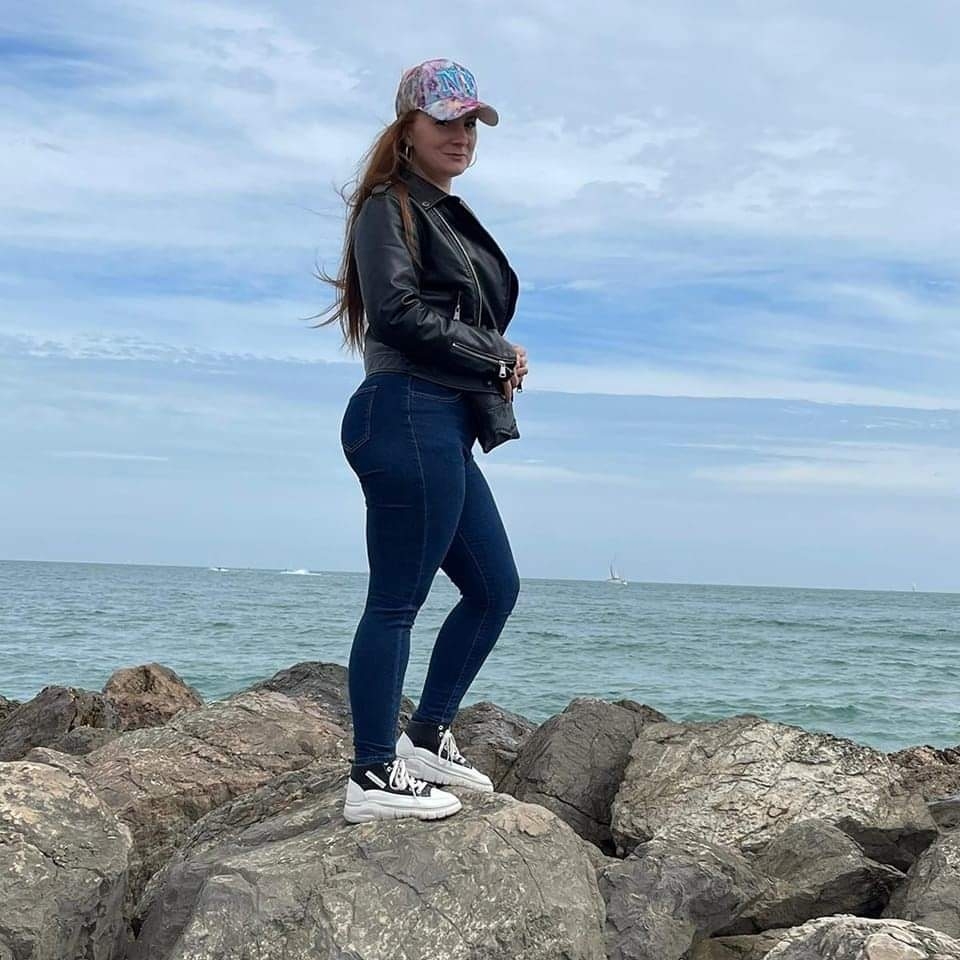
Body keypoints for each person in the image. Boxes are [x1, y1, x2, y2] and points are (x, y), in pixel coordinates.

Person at [318, 59, 528, 823]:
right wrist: (495, 354)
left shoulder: (440, 210)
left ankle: (428, 735)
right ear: (407, 127)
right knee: (396, 602)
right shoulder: (389, 205)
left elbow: (446, 313)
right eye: (445, 120)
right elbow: (398, 314)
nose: (461, 134)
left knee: (495, 589)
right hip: (406, 411)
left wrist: (492, 355)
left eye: (470, 122)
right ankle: (373, 774)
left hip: (441, 421)